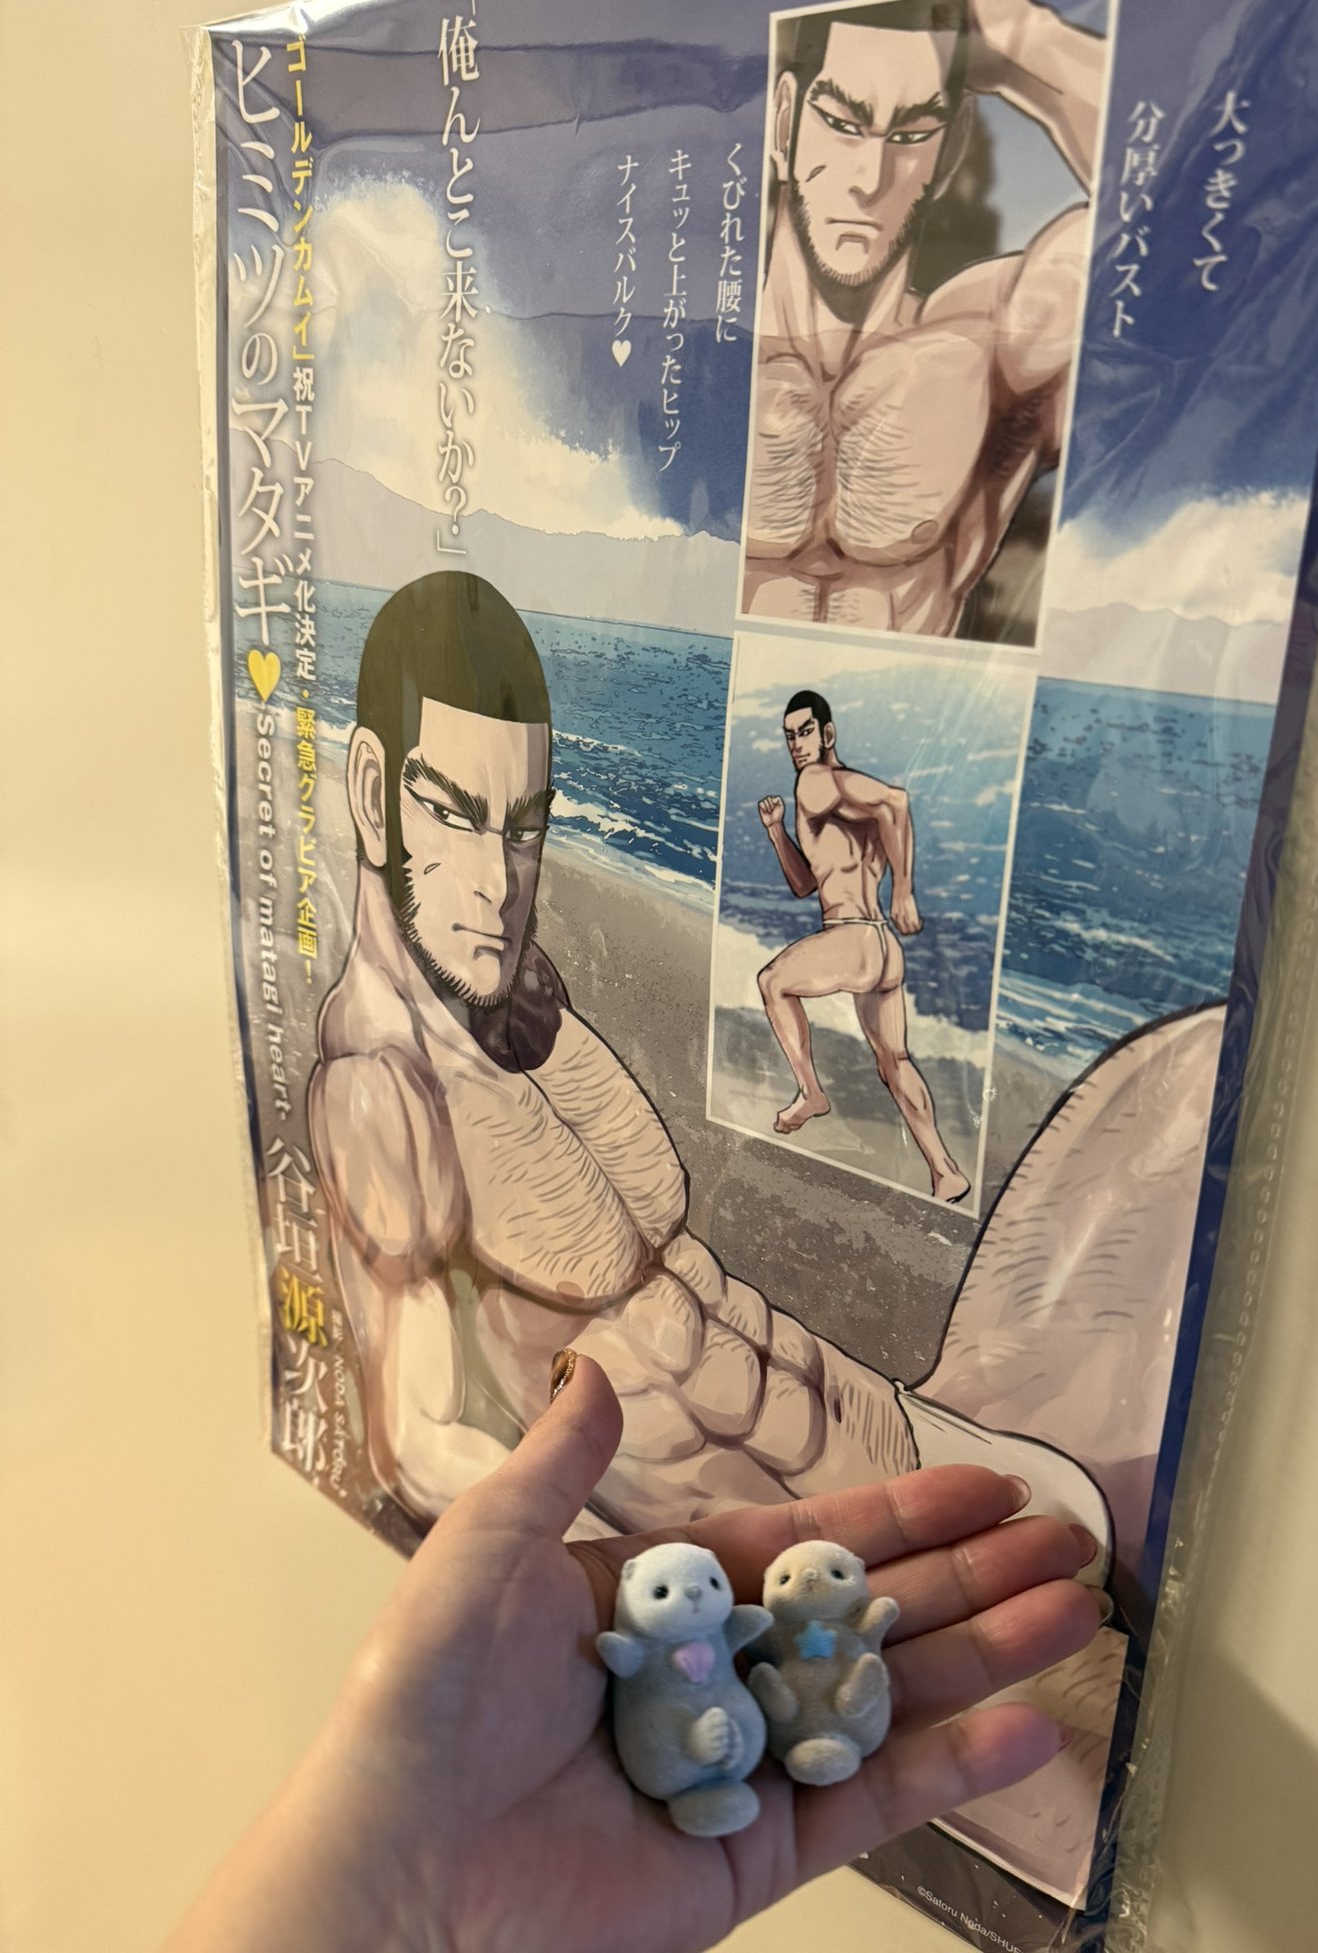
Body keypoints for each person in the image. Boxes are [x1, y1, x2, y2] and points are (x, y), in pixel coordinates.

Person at [309, 572, 1112, 1569]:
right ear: (371, 793)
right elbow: (420, 1443)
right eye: (451, 813)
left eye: (523, 828)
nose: (497, 882)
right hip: (788, 1559)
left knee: (1086, 1517)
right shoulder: (378, 1086)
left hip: (865, 1420)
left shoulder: (527, 997)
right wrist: (646, 1595)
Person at [165, 1352, 1104, 1953]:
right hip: (690, 1742)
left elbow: (773, 1642)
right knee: (730, 1729)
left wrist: (831, 1667)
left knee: (812, 1707)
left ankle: (778, 1748)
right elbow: (644, 1659)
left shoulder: (764, 1626)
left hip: (801, 1710)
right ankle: (723, 1769)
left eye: (704, 1590)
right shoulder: (643, 1649)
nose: (695, 1599)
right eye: (672, 1596)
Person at [742, 0, 1106, 637]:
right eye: (842, 124)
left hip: (899, 701)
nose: (870, 179)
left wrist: (1022, 37)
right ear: (784, 121)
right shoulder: (708, 350)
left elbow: (1181, 201)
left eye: (912, 135)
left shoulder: (987, 346)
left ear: (952, 147)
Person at [755, 688, 969, 1202]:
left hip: (851, 936)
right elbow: (806, 884)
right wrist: (777, 832)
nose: (796, 744)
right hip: (882, 948)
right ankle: (945, 1171)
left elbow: (897, 801)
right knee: (894, 1061)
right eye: (789, 736)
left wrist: (904, 891)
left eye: (806, 732)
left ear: (827, 733)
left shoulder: (814, 781)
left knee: (772, 981)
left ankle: (811, 1092)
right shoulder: (842, 800)